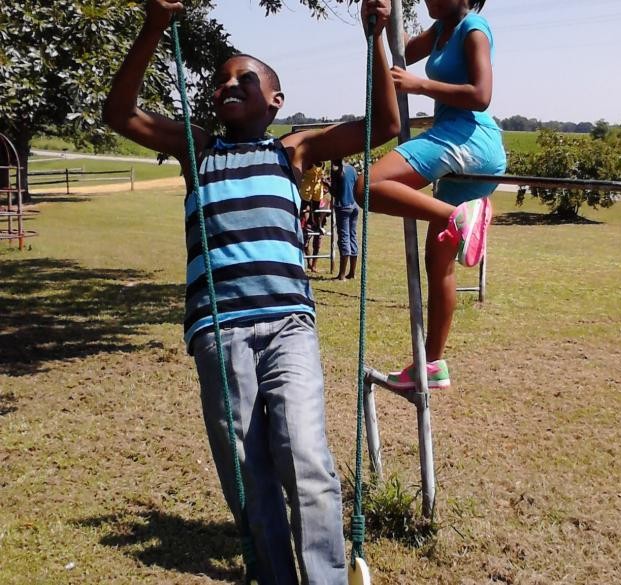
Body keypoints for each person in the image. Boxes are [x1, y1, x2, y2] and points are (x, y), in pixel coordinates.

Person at [102, 1, 399, 583]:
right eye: (220, 80)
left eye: (246, 78)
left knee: (306, 457)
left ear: (277, 101)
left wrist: (377, 38)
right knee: (247, 470)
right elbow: (118, 112)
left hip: (289, 322)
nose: (228, 85)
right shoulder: (197, 148)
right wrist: (154, 27)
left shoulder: (293, 152)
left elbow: (384, 128)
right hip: (219, 327)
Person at [356, 0, 506, 391]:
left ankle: (455, 217)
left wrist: (420, 85)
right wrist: (376, 26)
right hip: (466, 148)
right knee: (438, 263)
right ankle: (434, 362)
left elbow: (481, 94)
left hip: (467, 136)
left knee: (366, 186)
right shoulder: (441, 30)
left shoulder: (474, 26)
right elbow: (401, 46)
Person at [330, 159, 359, 280]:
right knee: (352, 236)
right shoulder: (352, 169)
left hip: (343, 206)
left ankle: (342, 275)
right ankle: (352, 272)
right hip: (354, 205)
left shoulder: (337, 171)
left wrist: (327, 186)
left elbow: (336, 193)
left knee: (344, 238)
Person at [300, 161, 326, 271]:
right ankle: (302, 224)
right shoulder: (310, 162)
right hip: (307, 187)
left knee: (316, 209)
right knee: (305, 207)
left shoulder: (323, 163)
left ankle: (318, 224)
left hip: (317, 188)